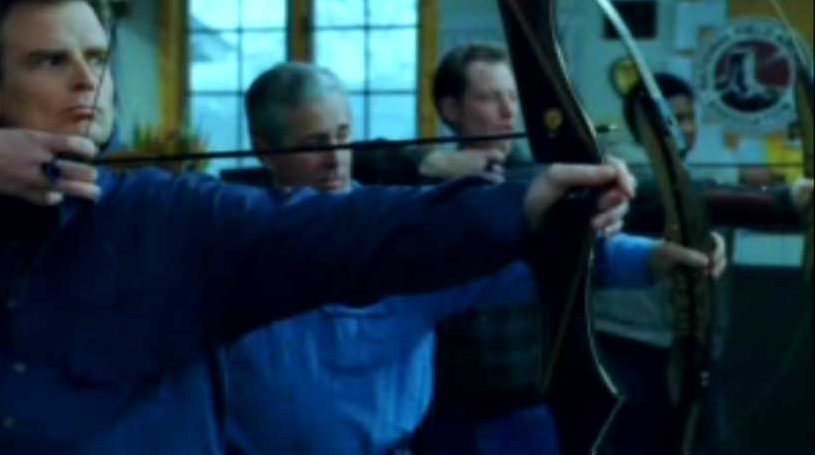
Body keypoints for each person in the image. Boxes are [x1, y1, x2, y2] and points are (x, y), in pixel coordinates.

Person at [0, 0, 643, 455]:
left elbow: (355, 229)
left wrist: (524, 203)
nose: (86, 81)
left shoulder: (176, 216)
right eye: (49, 60)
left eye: (96, 57)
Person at [220, 62, 724, 454]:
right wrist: (428, 161)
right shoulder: (229, 235)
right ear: (265, 150)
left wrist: (656, 256)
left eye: (343, 135)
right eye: (314, 145)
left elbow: (542, 256)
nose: (336, 158)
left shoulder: (402, 229)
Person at [399, 43, 729, 455]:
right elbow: (357, 172)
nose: (508, 111)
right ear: (451, 108)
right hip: (444, 408)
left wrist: (678, 239)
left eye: (512, 96)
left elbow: (635, 212)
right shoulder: (420, 193)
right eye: (489, 97)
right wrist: (428, 160)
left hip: (530, 403)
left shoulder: (544, 178)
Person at [595, 72, 812, 455]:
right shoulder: (622, 178)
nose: (684, 128)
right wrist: (786, 200)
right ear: (641, 127)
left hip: (694, 347)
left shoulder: (701, 176)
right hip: (628, 346)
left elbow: (714, 196)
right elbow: (681, 198)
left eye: (688, 117)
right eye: (672, 119)